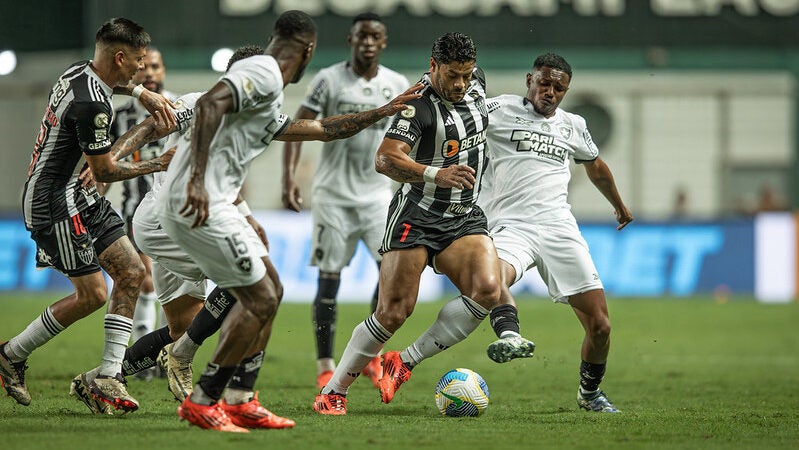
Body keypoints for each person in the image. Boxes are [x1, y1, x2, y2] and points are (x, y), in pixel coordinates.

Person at [156, 10, 422, 432]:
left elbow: (319, 128)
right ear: (308, 50)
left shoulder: (267, 92)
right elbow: (209, 103)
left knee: (271, 290)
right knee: (259, 297)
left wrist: (382, 111)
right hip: (201, 200)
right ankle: (204, 400)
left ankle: (241, 399)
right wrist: (194, 179)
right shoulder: (261, 71)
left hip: (214, 200)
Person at [70, 46, 297, 431]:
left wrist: (246, 216)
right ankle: (189, 361)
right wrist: (107, 163)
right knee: (246, 283)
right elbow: (146, 129)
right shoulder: (195, 103)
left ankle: (101, 378)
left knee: (183, 325)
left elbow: (221, 177)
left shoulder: (247, 117)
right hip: (167, 218)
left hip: (181, 219)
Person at [313, 32, 534, 416]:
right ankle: (333, 391)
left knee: (486, 289)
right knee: (394, 311)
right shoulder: (418, 106)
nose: (460, 84)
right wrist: (436, 174)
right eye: (452, 75)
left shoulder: (475, 85)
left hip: (462, 216)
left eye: (466, 75)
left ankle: (404, 362)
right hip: (416, 217)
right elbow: (385, 160)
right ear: (433, 66)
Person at [0, 17, 176, 413]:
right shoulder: (94, 105)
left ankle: (107, 377)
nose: (142, 69)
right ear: (119, 57)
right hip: (53, 202)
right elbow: (106, 172)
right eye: (138, 62)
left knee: (132, 272)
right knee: (94, 294)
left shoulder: (79, 71)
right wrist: (158, 163)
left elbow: (112, 82)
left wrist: (139, 92)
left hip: (75, 194)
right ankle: (11, 354)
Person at [480, 53, 633, 412]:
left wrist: (620, 205)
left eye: (559, 88)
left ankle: (590, 394)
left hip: (559, 228)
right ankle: (509, 334)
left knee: (601, 326)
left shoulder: (573, 125)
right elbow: (454, 121)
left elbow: (595, 167)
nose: (550, 92)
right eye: (544, 83)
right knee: (491, 279)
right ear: (529, 79)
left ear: (566, 91)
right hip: (510, 224)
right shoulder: (498, 109)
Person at [282, 12, 409, 390]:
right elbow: (295, 127)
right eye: (362, 36)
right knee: (329, 280)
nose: (368, 42)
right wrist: (289, 177)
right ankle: (325, 362)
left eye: (375, 37)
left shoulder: (396, 84)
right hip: (333, 196)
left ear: (383, 43)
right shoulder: (327, 80)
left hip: (376, 197)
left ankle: (366, 355)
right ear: (350, 40)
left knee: (390, 274)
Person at [106, 47, 177, 381]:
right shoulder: (120, 118)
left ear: (163, 71)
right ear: (135, 74)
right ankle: (146, 352)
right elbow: (105, 165)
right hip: (137, 208)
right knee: (146, 278)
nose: (150, 73)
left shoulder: (181, 107)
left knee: (173, 281)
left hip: (177, 208)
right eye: (144, 67)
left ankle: (166, 351)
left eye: (156, 67)